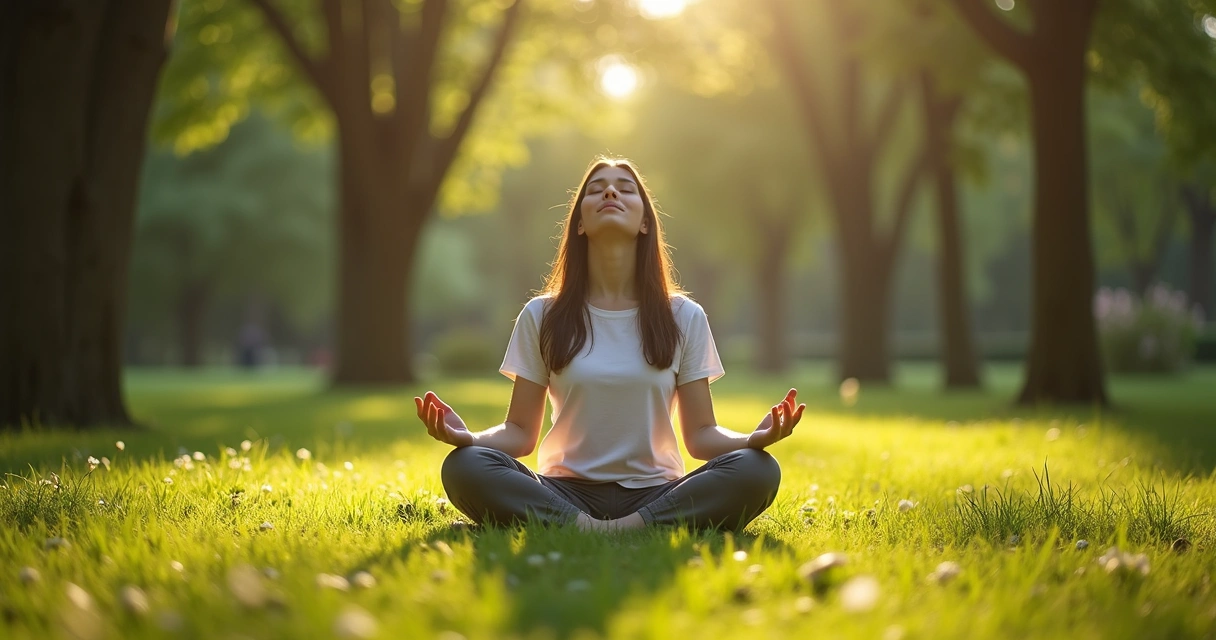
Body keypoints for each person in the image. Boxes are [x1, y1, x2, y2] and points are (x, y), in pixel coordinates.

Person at [415, 157, 804, 532]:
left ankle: (626, 525)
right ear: (580, 223)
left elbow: (701, 435)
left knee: (758, 469)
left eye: (626, 189)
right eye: (596, 189)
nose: (611, 193)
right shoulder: (542, 315)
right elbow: (519, 432)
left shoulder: (684, 315)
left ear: (646, 222)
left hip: (657, 492)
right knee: (465, 465)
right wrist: (469, 439)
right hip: (563, 491)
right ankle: (587, 525)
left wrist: (753, 440)